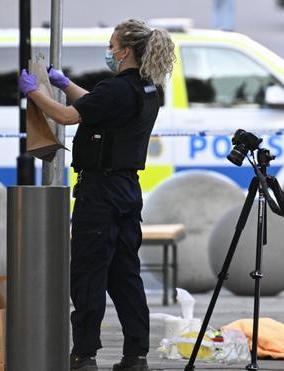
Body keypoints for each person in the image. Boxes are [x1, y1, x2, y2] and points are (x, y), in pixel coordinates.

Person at [19, 19, 176, 371]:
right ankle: (135, 354)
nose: (109, 50)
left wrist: (34, 93)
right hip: (127, 191)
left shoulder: (116, 88)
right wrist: (63, 83)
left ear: (125, 50)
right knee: (125, 275)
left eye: (112, 44)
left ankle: (84, 354)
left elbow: (67, 116)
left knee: (89, 274)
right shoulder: (148, 88)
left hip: (99, 193)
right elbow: (93, 105)